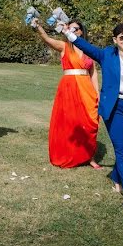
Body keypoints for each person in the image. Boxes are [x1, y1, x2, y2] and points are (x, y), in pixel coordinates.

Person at [63, 22, 123, 205]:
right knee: (122, 148)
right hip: (116, 108)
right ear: (115, 40)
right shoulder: (107, 55)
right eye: (122, 37)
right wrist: (67, 33)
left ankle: (116, 176)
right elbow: (85, 46)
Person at [31, 18, 101, 169]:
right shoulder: (64, 46)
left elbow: (93, 73)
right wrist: (38, 27)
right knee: (70, 122)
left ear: (82, 32)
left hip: (87, 89)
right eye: (71, 28)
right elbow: (47, 39)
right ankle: (69, 154)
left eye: (76, 29)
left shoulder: (89, 49)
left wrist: (97, 93)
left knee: (90, 122)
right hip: (69, 88)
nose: (73, 31)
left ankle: (90, 157)